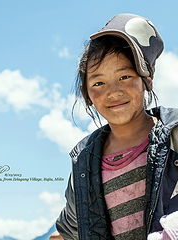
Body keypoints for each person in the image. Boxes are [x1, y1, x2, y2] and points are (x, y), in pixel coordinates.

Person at [49, 13, 178, 240]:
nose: (113, 92)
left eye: (125, 76)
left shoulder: (174, 136)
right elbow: (71, 229)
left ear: (146, 80)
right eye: (98, 82)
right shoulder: (84, 161)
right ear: (87, 94)